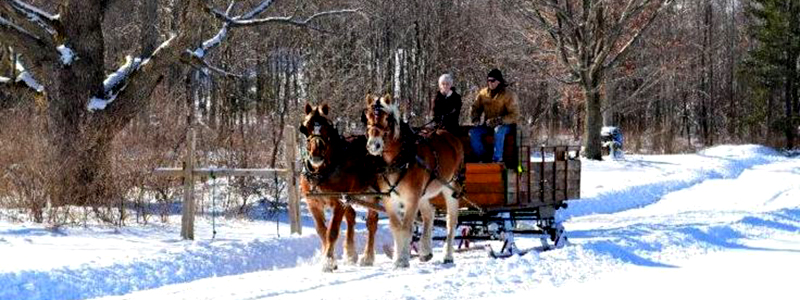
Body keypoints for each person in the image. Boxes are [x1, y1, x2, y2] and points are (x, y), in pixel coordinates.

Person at [469, 68, 519, 163]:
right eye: (488, 80)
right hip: (488, 124)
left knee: (499, 130)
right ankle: (483, 156)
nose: (490, 83)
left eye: (492, 80)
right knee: (473, 132)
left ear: (499, 81)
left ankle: (497, 159)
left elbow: (514, 115)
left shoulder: (508, 95)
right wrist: (475, 118)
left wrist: (499, 120)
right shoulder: (483, 93)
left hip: (506, 125)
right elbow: (475, 107)